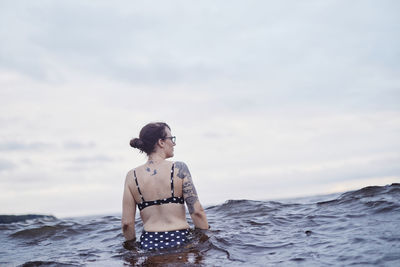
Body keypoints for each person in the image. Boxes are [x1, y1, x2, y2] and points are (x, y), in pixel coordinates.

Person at [122, 122, 209, 250]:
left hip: (149, 244)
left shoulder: (131, 176)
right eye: (171, 139)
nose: (173, 143)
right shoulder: (179, 168)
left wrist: (133, 251)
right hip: (181, 240)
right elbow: (197, 212)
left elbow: (127, 224)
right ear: (161, 142)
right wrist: (206, 240)